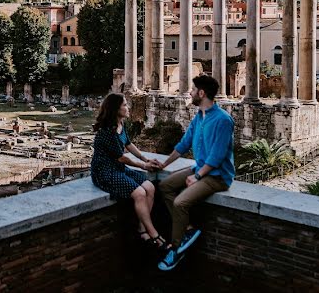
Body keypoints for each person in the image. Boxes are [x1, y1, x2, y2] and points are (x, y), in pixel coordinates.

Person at [147, 74, 234, 271]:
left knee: (180, 202)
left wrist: (197, 176)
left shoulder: (223, 120)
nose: (190, 93)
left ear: (201, 93)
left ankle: (176, 250)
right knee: (165, 185)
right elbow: (184, 144)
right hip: (200, 169)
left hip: (218, 176)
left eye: (193, 90)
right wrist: (164, 163)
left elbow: (217, 156)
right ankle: (187, 228)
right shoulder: (199, 117)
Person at [91, 93, 168, 252]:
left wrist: (145, 159)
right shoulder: (107, 131)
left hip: (118, 168)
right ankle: (153, 233)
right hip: (105, 171)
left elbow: (129, 144)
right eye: (124, 105)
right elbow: (121, 158)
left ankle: (141, 228)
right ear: (115, 109)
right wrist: (143, 166)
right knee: (139, 193)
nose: (128, 107)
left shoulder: (121, 124)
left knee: (150, 187)